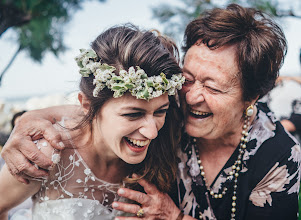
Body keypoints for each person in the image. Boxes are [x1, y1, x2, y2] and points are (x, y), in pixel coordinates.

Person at [1, 4, 300, 220]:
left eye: (213, 88)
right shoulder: (169, 112)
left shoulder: (280, 158)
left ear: (251, 97)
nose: (192, 96)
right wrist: (30, 119)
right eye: (189, 78)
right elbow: (109, 110)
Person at [0, 24, 185, 220]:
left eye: (160, 111)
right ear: (87, 106)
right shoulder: (47, 154)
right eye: (133, 114)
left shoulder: (165, 145)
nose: (152, 132)